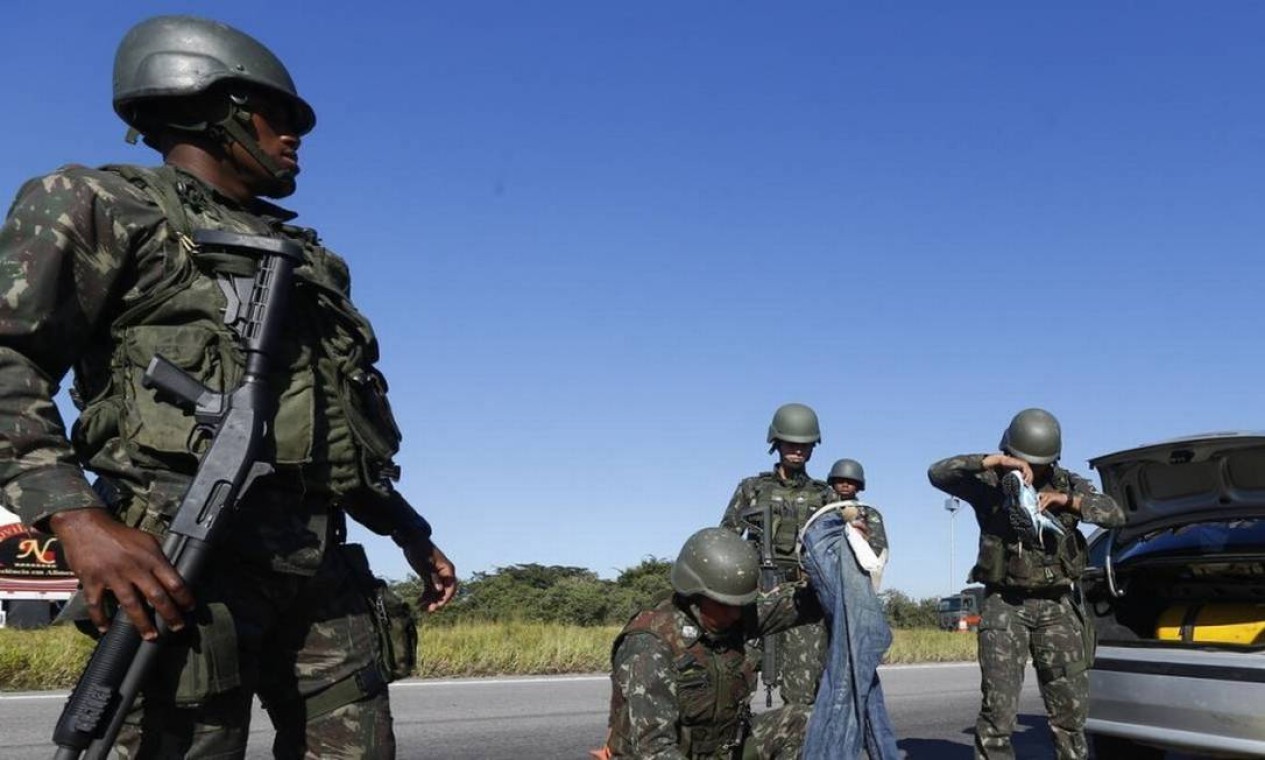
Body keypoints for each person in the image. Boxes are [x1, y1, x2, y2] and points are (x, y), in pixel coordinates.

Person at [0, 15, 456, 757]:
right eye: (278, 116)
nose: (295, 135)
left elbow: (326, 423)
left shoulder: (310, 260)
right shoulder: (100, 204)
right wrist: (77, 520)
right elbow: (8, 359)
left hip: (317, 566)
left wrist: (407, 529)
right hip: (181, 558)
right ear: (211, 108)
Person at [927, 408, 1125, 760]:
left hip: (1057, 607)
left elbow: (1114, 514)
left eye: (1039, 462)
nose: (1032, 467)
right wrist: (993, 462)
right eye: (1021, 458)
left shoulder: (1068, 483)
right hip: (1006, 607)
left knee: (1069, 714)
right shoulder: (991, 487)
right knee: (997, 715)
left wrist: (1068, 502)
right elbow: (938, 473)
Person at [600, 527, 821, 759]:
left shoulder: (732, 616)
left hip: (722, 748)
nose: (735, 614)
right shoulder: (649, 645)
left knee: (806, 723)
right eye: (724, 605)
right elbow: (654, 749)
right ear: (693, 597)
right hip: (666, 754)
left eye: (740, 605)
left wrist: (847, 551)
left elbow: (803, 603)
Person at [719, 403, 834, 706]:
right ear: (776, 443)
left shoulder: (826, 495)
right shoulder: (752, 489)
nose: (797, 450)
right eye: (790, 443)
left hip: (804, 599)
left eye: (804, 445)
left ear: (813, 447)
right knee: (734, 685)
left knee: (802, 693)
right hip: (756, 595)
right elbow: (725, 542)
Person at [825, 458, 890, 572]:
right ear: (833, 483)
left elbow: (878, 548)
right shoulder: (823, 509)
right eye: (840, 481)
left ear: (858, 485)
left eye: (850, 482)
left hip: (855, 567)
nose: (845, 485)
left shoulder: (867, 512)